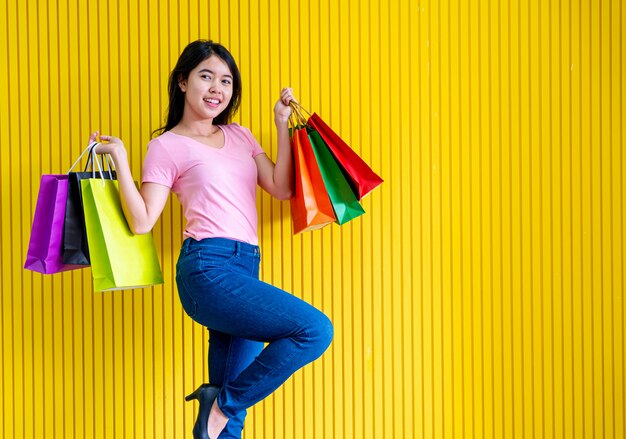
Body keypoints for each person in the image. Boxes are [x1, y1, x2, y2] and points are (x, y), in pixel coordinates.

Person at [90, 40, 334, 439]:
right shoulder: (166, 146)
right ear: (183, 82)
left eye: (226, 80)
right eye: (206, 76)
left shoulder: (240, 135)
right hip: (207, 268)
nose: (217, 88)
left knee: (226, 422)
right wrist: (119, 158)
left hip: (246, 267)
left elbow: (281, 187)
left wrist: (280, 124)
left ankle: (218, 406)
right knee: (313, 330)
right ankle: (218, 404)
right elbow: (142, 221)